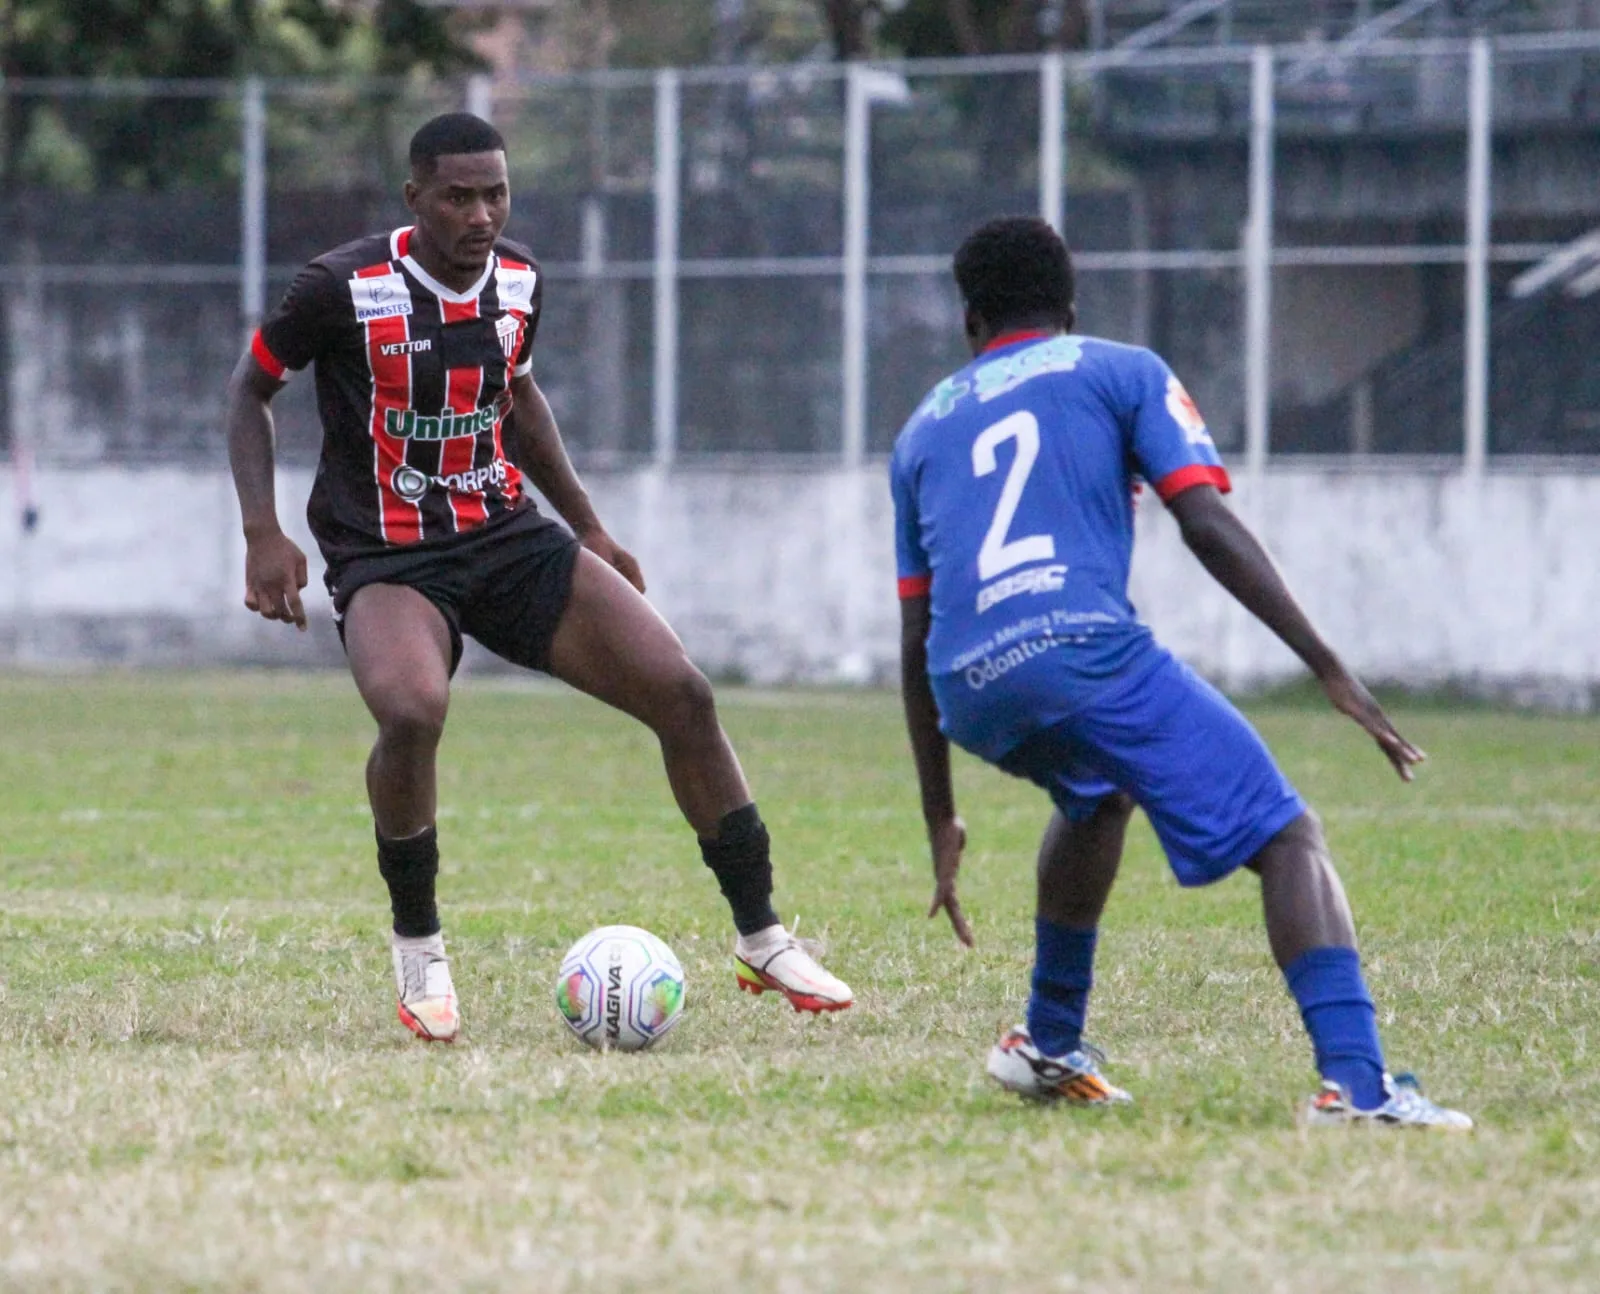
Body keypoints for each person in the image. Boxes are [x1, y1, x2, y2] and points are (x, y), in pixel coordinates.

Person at [224, 112, 851, 1043]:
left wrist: (589, 524)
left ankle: (762, 936)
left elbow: (513, 392)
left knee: (682, 691)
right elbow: (251, 388)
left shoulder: (519, 278)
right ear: (415, 199)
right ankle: (420, 953)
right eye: (457, 196)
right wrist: (261, 532)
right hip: (388, 552)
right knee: (411, 713)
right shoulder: (342, 286)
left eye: (496, 193)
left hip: (508, 534)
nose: (480, 214)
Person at [890, 216, 1469, 1128]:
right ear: (1070, 311)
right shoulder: (1121, 370)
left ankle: (1045, 1044)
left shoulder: (923, 429)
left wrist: (939, 813)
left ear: (971, 325)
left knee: (1095, 795)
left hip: (968, 683)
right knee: (1286, 836)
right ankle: (1357, 1089)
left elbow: (914, 628)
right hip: (1082, 650)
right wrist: (1328, 666)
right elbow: (1204, 524)